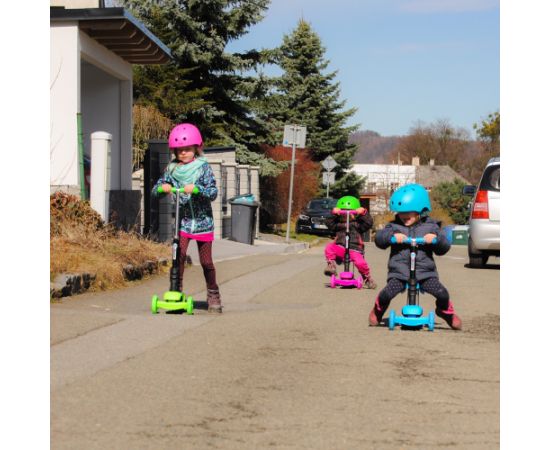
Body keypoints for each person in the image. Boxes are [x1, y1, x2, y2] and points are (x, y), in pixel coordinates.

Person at [368, 183, 462, 330]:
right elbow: (380, 239)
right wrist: (391, 236)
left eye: (408, 212)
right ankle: (378, 310)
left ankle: (445, 312)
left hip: (425, 273)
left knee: (443, 294)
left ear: (420, 209)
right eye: (400, 212)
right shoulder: (393, 227)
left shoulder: (431, 227)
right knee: (386, 294)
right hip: (399, 273)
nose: (403, 215)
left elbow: (443, 247)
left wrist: (435, 239)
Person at [153, 123, 222, 313]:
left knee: (206, 261)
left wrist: (198, 189)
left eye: (187, 149)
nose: (183, 153)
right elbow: (155, 190)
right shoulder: (172, 170)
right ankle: (176, 291)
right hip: (183, 224)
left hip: (203, 223)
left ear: (196, 149)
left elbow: (213, 192)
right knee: (178, 256)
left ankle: (213, 292)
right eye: (179, 150)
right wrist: (162, 188)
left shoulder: (203, 169)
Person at [324, 195, 377, 289]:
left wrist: (364, 213)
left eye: (350, 213)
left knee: (361, 263)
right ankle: (331, 266)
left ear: (356, 214)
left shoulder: (358, 225)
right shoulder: (338, 224)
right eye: (344, 212)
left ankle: (367, 278)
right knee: (329, 247)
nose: (347, 215)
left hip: (355, 250)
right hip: (340, 248)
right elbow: (329, 223)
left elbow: (368, 223)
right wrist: (333, 213)